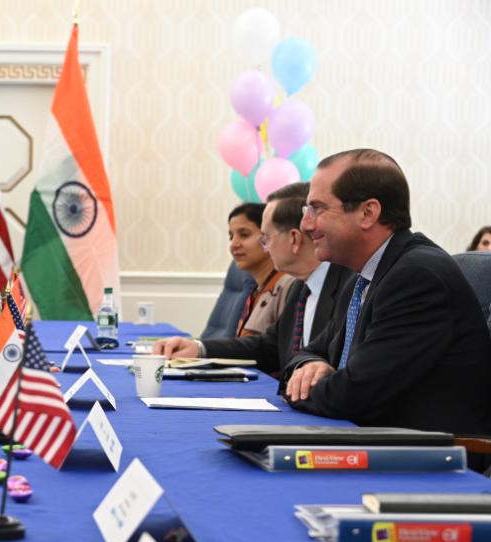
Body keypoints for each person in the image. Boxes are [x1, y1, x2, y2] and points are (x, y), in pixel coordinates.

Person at [285, 149, 491, 436]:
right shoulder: (363, 277)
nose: (306, 224)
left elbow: (353, 396)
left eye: (317, 209)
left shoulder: (417, 277)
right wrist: (311, 365)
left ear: (368, 213)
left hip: (426, 462)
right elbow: (308, 352)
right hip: (377, 442)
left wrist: (299, 389)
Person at [155, 183, 352, 376]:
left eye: (266, 238)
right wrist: (199, 348)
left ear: (294, 239)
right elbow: (268, 347)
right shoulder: (301, 288)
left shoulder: (349, 289)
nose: (266, 248)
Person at [226, 202, 295, 337]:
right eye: (231, 237)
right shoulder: (256, 291)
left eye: (244, 234)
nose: (234, 244)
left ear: (267, 237)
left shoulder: (288, 285)